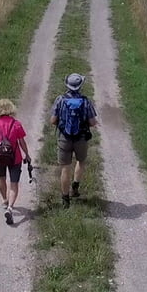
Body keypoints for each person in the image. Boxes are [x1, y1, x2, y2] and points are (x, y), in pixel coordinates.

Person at [50, 73, 98, 208]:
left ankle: (65, 199)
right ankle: (75, 187)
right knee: (81, 161)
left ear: (67, 85)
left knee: (65, 168)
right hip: (81, 137)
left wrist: (63, 124)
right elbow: (93, 122)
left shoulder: (60, 99)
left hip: (64, 137)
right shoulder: (86, 101)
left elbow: (52, 120)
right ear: (80, 85)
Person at [0, 99, 31, 225]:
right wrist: (27, 155)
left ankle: (5, 200)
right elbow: (22, 142)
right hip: (15, 158)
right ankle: (10, 207)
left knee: (1, 178)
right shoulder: (16, 124)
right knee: (14, 183)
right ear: (11, 109)